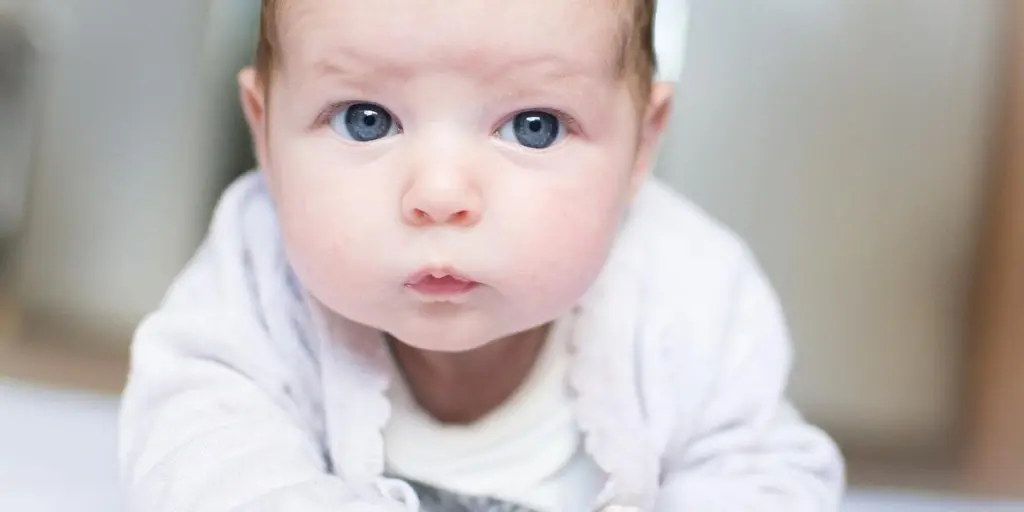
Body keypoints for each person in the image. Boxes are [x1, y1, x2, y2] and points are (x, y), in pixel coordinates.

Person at [118, 0, 845, 510]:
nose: (439, 193)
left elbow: (760, 475)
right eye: (365, 120)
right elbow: (201, 455)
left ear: (641, 144)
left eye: (533, 127)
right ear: (265, 132)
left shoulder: (691, 292)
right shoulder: (255, 271)